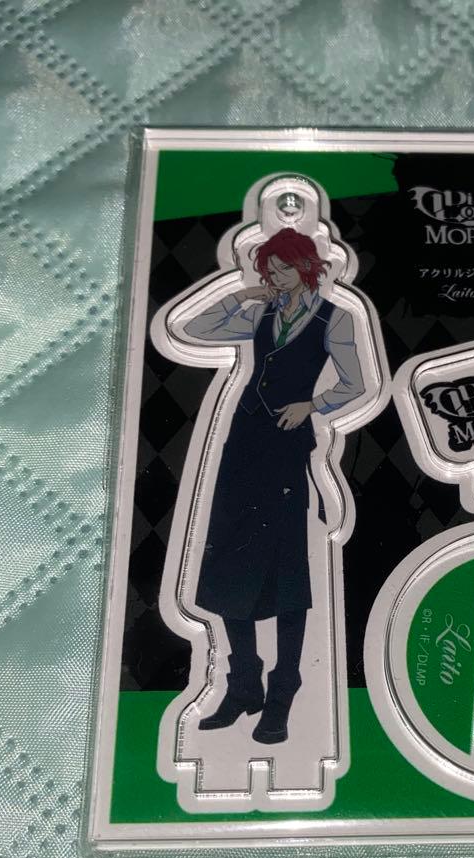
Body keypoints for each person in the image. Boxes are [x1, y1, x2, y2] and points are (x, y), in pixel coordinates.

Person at [179, 227, 364, 743]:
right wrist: (242, 293)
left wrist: (313, 405)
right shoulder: (260, 312)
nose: (275, 278)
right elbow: (196, 329)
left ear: (306, 266)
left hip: (286, 447)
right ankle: (244, 686)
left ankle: (282, 693)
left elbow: (356, 383)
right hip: (242, 444)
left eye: (282, 268)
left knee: (286, 568)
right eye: (269, 270)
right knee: (228, 558)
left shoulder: (335, 318)